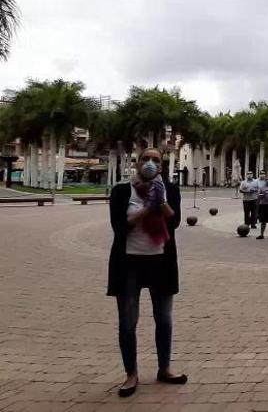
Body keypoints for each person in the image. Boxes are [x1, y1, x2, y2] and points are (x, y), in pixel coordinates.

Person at [108, 148, 187, 398]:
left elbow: (173, 222)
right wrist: (146, 208)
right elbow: (119, 226)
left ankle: (165, 368)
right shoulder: (122, 191)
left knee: (164, 318)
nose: (150, 163)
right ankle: (131, 374)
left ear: (161, 167)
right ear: (137, 163)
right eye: (146, 159)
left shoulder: (170, 190)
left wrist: (160, 201)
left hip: (161, 262)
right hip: (128, 262)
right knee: (128, 321)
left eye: (155, 160)